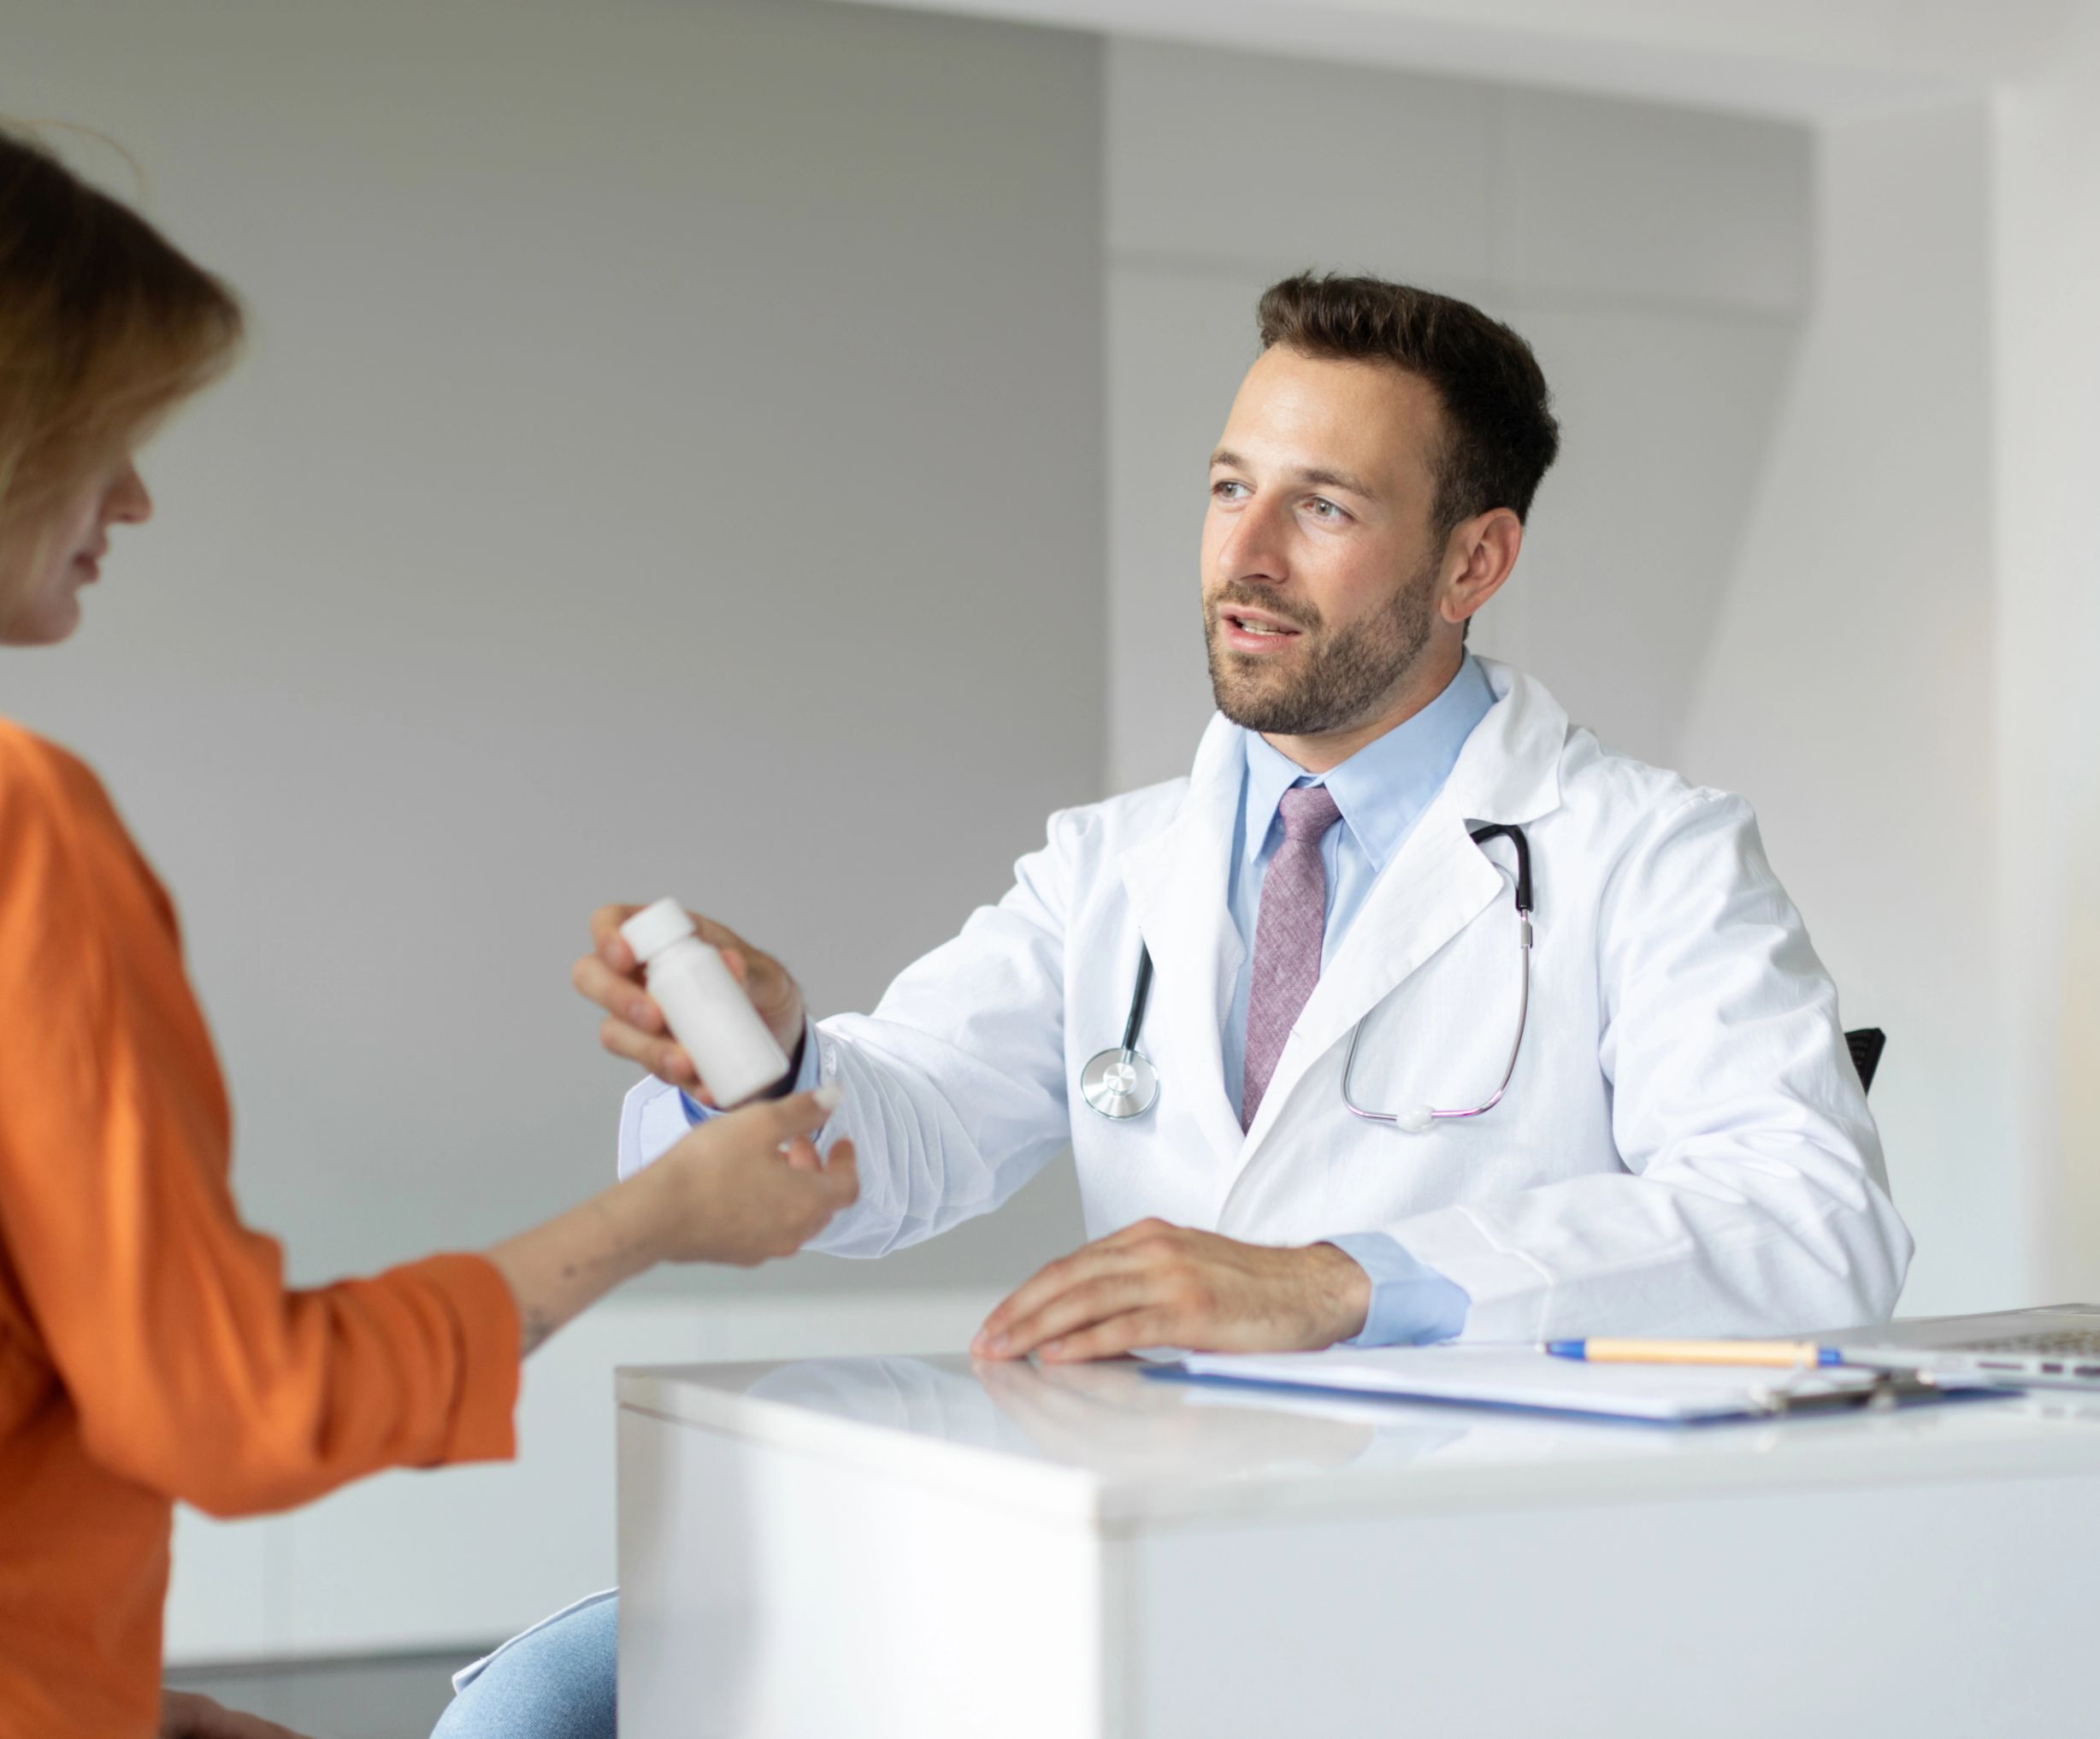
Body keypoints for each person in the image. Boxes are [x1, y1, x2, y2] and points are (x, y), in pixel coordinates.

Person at [442, 271, 1914, 1733]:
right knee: (550, 1699)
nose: (1247, 556)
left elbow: (1811, 1223)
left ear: (1476, 561)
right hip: (1139, 1548)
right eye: (1229, 487)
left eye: (1324, 506)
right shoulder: (1113, 865)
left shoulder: (1649, 854)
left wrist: (1339, 1280)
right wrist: (762, 1068)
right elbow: (893, 1136)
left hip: (1469, 1587)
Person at [0, 128, 858, 1739]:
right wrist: (666, 1212)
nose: (134, 491)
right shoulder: (22, 828)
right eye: (107, 430)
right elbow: (233, 1404)